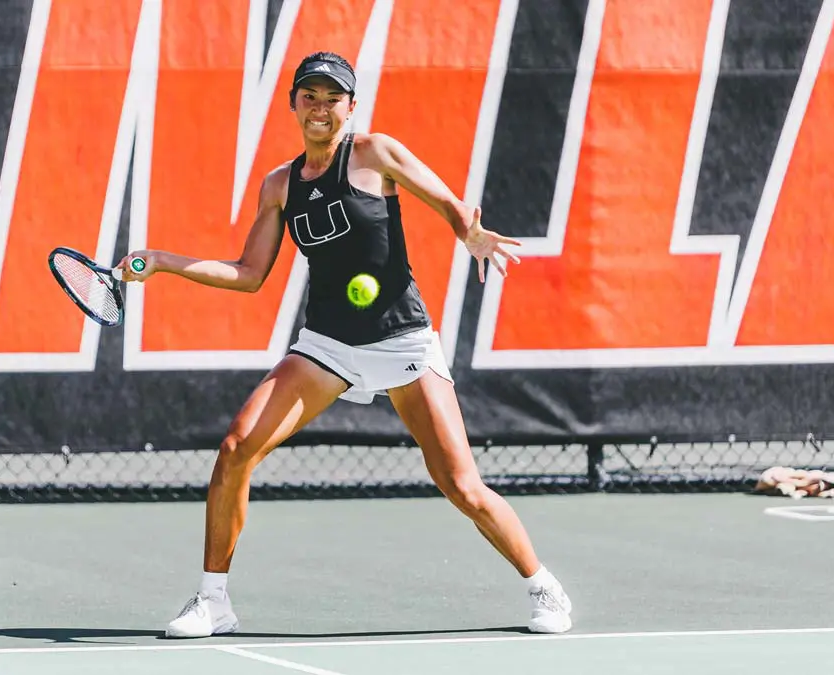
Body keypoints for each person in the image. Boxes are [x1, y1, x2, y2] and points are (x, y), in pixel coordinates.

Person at [115, 51, 574, 638]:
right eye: (310, 96)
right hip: (327, 345)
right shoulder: (279, 186)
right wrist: (162, 262)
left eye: (333, 99)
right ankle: (213, 601)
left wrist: (472, 233)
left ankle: (542, 585)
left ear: (351, 107)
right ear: (294, 104)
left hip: (402, 340)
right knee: (235, 449)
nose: (320, 108)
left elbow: (449, 205)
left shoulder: (375, 153)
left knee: (461, 485)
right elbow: (249, 274)